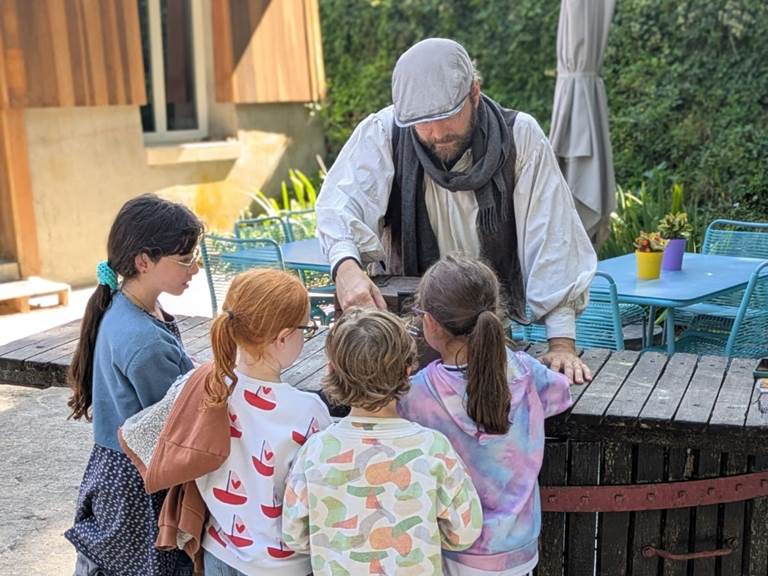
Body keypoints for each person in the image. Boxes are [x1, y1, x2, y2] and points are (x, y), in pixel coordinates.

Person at [316, 37, 597, 383]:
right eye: (422, 123)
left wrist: (562, 343)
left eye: (446, 117)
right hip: (408, 337)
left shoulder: (520, 137)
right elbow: (340, 205)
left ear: (474, 93)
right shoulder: (385, 132)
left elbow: (553, 236)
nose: (435, 134)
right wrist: (347, 269)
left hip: (490, 336)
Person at [397, 255, 573, 576]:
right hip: (519, 550)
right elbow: (561, 393)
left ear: (431, 324)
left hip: (457, 548)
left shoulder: (416, 394)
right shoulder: (524, 370)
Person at [281, 308, 483, 574]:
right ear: (407, 370)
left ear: (332, 370)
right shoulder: (433, 448)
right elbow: (464, 532)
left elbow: (294, 535)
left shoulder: (315, 451)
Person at [65, 194, 204, 576]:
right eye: (186, 259)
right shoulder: (143, 342)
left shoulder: (125, 305)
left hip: (113, 471)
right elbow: (179, 422)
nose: (195, 267)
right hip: (138, 483)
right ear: (144, 261)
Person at [194, 269, 333, 575]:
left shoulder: (204, 386)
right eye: (305, 329)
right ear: (283, 337)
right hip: (284, 564)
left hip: (218, 552)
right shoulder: (308, 410)